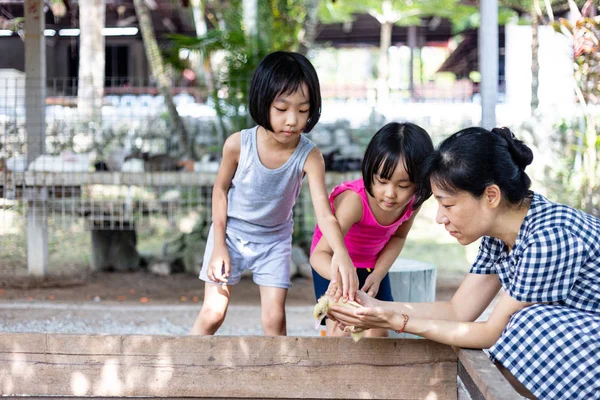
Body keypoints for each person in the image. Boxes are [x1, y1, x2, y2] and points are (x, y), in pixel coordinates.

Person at [328, 127, 600, 399]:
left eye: (447, 205)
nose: (439, 218)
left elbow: (489, 333)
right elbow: (458, 312)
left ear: (491, 196)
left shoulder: (549, 238)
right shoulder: (502, 233)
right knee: (520, 329)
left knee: (527, 327)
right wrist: (373, 306)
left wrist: (396, 320)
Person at [189, 51, 356, 337]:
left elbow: (324, 213)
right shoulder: (238, 145)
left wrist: (341, 251)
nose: (292, 120)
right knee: (213, 313)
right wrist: (219, 244)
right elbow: (220, 190)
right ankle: (182, 371)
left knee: (274, 319)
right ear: (262, 102)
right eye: (281, 108)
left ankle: (280, 379)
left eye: (303, 110)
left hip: (275, 240)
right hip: (231, 233)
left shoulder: (310, 156)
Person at [310, 122, 434, 338]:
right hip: (333, 264)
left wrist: (378, 274)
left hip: (371, 267)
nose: (390, 194)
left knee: (378, 330)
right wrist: (340, 281)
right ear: (370, 171)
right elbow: (319, 255)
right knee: (340, 330)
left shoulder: (412, 202)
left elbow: (398, 237)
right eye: (382, 181)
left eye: (403, 186)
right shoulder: (354, 202)